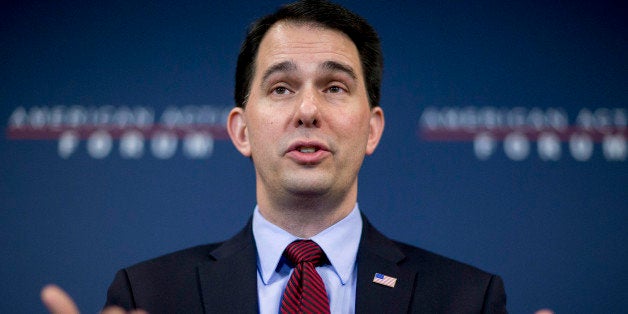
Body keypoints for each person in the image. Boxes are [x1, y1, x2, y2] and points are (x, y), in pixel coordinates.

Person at [42, 0, 508, 313]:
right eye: (281, 88)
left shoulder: (467, 299)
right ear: (241, 131)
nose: (308, 110)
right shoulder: (149, 295)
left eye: (335, 87)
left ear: (372, 128)